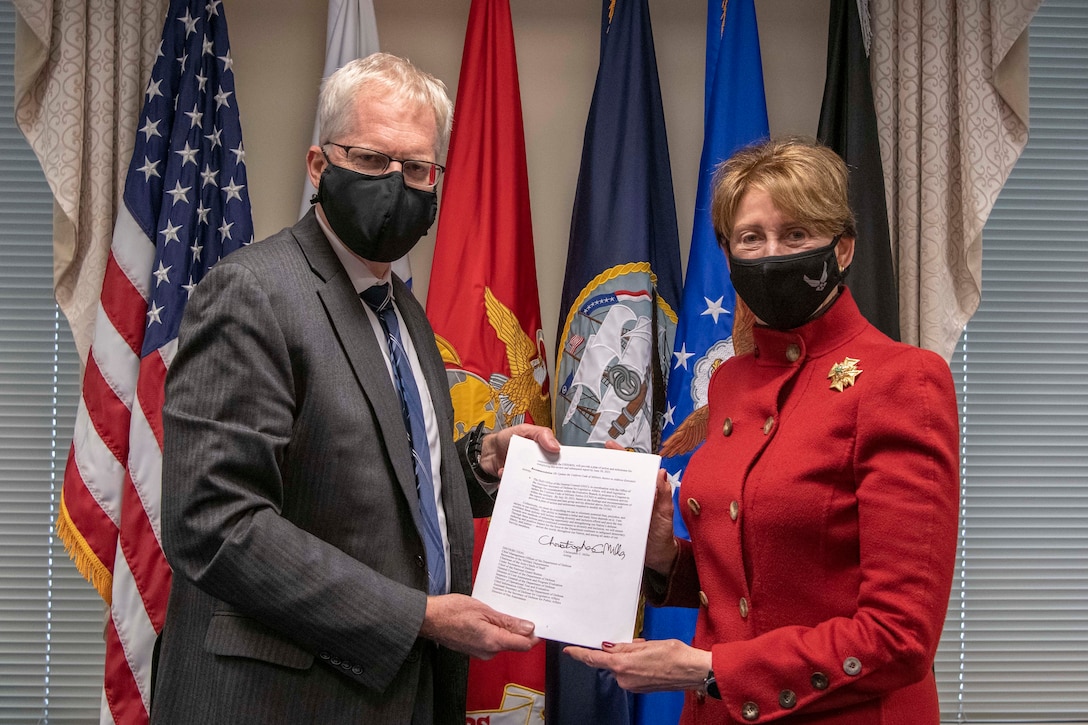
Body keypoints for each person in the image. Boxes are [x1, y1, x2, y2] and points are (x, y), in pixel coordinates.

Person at [150, 52, 559, 724]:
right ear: (320, 166)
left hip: (399, 694)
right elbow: (214, 522)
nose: (396, 183)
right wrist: (419, 616)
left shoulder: (403, 309)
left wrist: (481, 462)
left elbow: (367, 478)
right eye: (371, 160)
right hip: (279, 701)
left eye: (417, 168)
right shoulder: (253, 292)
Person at [565, 136, 960, 724]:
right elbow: (752, 576)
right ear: (728, 255)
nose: (772, 254)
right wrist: (663, 558)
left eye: (797, 234)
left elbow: (900, 636)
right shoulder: (731, 382)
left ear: (843, 249)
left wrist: (710, 670)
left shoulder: (902, 381)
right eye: (751, 238)